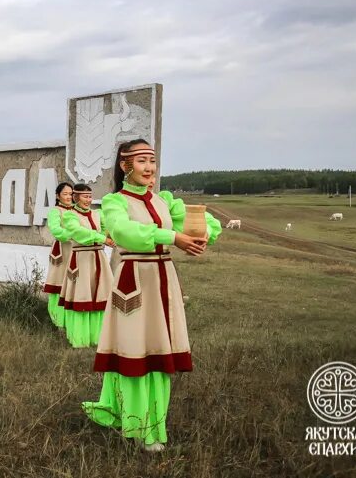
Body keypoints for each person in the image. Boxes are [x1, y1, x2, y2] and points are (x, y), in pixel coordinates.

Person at [82, 140, 221, 451]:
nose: (149, 168)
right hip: (134, 280)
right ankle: (136, 426)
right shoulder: (116, 203)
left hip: (163, 279)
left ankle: (154, 424)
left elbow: (201, 221)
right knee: (134, 353)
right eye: (142, 161)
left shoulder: (162, 202)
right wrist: (172, 237)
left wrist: (203, 234)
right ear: (125, 165)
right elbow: (124, 233)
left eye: (153, 161)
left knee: (158, 353)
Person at [59, 184, 115, 347]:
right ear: (75, 198)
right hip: (82, 260)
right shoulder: (70, 216)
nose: (88, 200)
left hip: (99, 258)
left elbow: (106, 228)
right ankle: (80, 339)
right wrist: (102, 239)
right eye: (85, 196)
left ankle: (98, 338)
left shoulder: (98, 214)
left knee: (101, 296)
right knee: (82, 296)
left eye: (90, 196)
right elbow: (78, 233)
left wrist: (109, 235)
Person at [42, 182, 73, 328]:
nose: (68, 197)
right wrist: (75, 234)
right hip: (62, 250)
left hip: (77, 250)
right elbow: (56, 230)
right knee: (59, 283)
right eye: (65, 194)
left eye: (71, 194)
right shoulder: (56, 211)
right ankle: (58, 320)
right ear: (58, 196)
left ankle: (72, 320)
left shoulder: (76, 210)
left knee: (74, 284)